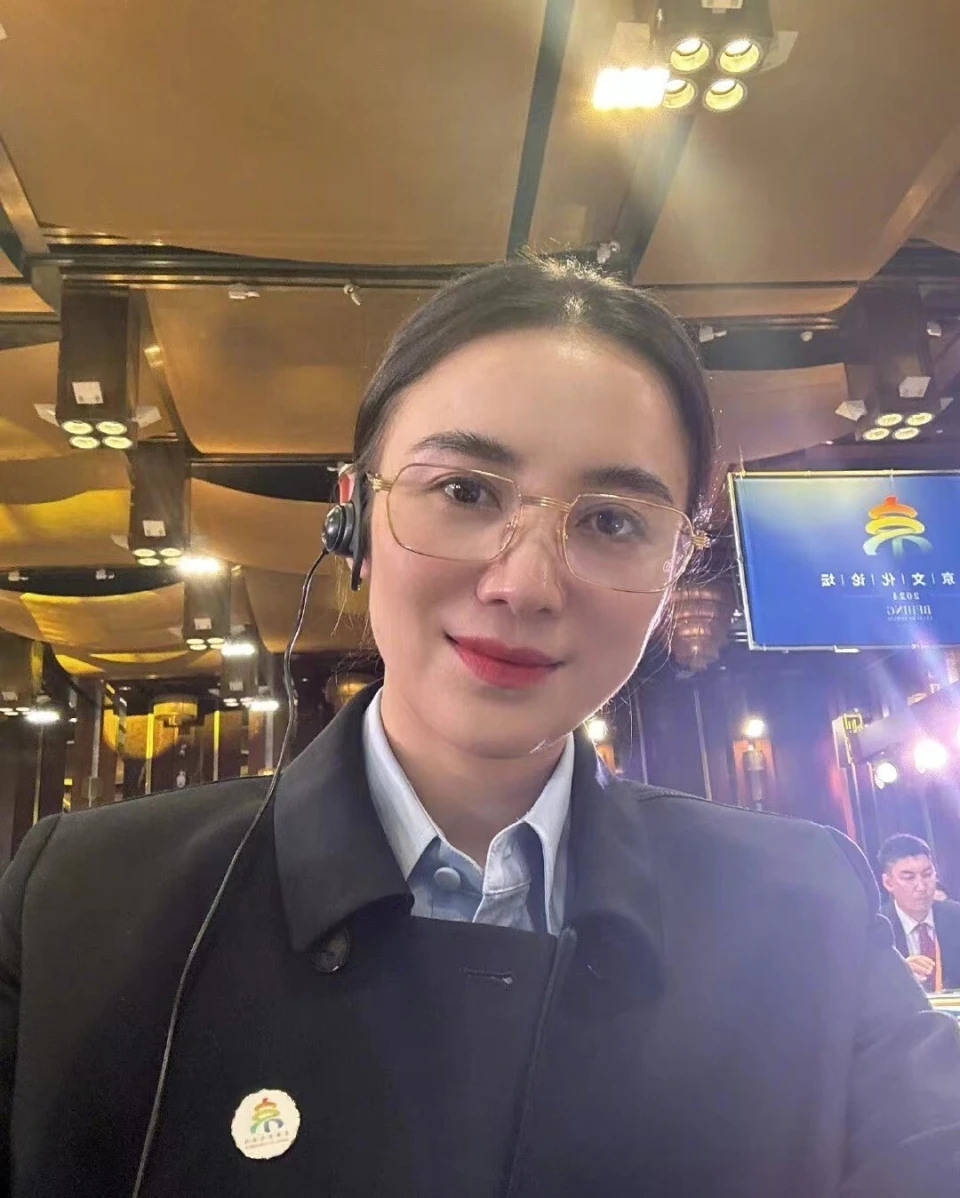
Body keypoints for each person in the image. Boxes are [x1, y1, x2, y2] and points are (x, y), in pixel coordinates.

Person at [1, 258, 959, 1198]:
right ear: (353, 521)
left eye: (612, 522)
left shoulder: (803, 911)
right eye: (465, 491)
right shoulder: (80, 906)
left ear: (675, 570)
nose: (526, 585)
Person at [879, 833, 960, 992]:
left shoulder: (956, 917)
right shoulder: (875, 929)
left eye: (927, 874)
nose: (921, 886)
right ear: (888, 883)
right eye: (909, 878)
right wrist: (898, 975)